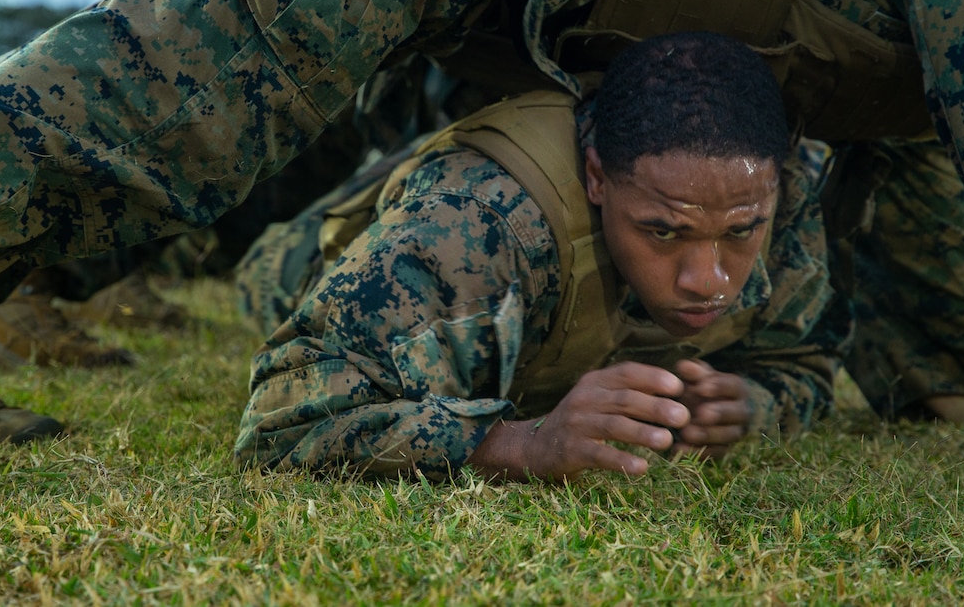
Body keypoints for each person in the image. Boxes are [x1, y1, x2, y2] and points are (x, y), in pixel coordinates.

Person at [0, 0, 964, 443]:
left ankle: (29, 282)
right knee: (182, 92)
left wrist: (946, 376)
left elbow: (904, 144)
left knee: (236, 130)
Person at [232, 31, 850, 481]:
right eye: (663, 232)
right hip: (311, 258)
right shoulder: (476, 224)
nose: (707, 279)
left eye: (741, 233)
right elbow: (282, 420)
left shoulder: (773, 192)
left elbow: (802, 361)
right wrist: (520, 444)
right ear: (598, 176)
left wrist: (751, 404)